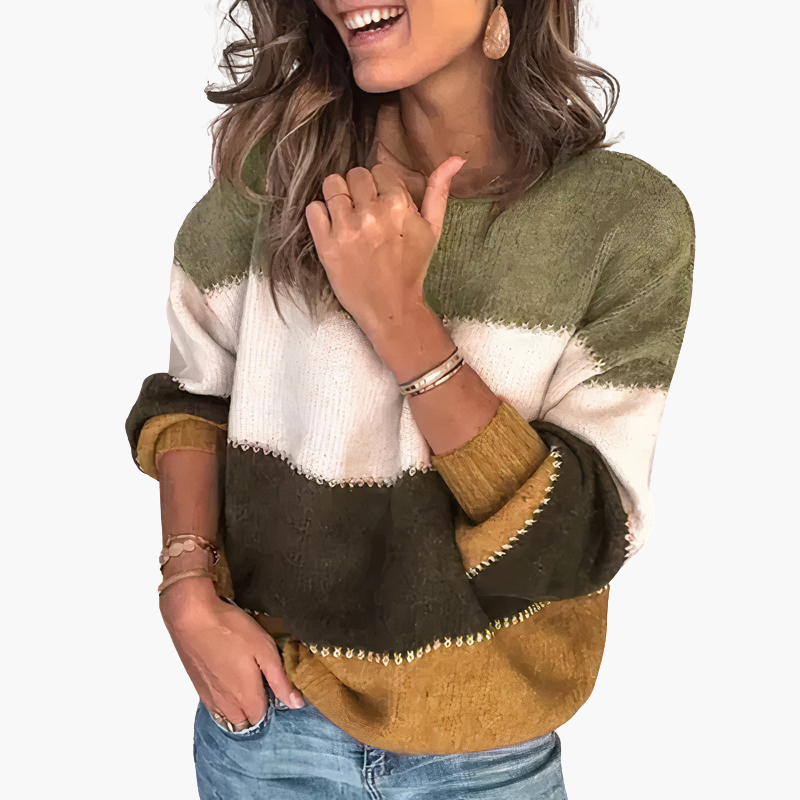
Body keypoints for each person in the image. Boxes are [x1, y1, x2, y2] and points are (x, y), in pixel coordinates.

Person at [125, 1, 695, 797]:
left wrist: (399, 318)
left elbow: (574, 540)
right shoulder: (278, 171)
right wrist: (185, 587)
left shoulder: (623, 222)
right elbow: (193, 397)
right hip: (270, 733)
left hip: (488, 760)